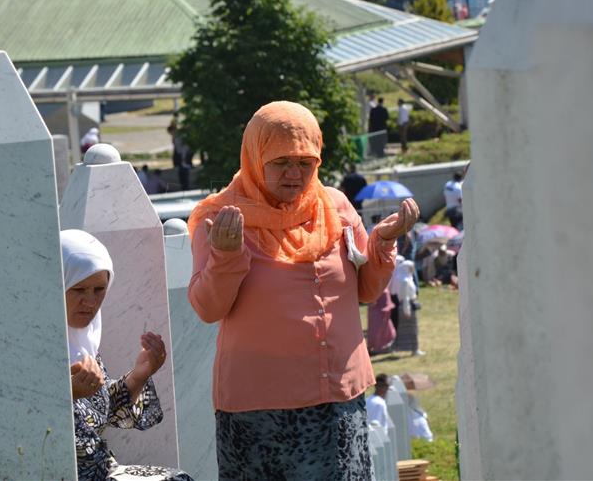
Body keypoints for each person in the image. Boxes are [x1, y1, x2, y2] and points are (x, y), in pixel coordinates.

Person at [186, 101, 419, 480]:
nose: (295, 173)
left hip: (339, 401)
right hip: (259, 411)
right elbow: (207, 308)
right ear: (256, 157)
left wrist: (383, 243)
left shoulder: (336, 206)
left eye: (305, 161)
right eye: (281, 162)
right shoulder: (222, 218)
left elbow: (365, 290)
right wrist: (226, 256)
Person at [60, 229, 193, 481]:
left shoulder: (84, 343)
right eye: (78, 290)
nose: (90, 301)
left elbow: (100, 410)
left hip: (102, 470)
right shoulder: (34, 348)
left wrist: (140, 375)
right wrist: (66, 394)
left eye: (99, 289)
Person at [389, 258, 424, 356]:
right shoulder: (404, 281)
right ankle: (414, 349)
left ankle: (409, 348)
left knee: (404, 330)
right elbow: (405, 298)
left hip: (404, 306)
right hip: (407, 307)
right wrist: (407, 310)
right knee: (412, 330)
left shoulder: (402, 278)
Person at [368, 285, 396, 355]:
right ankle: (376, 348)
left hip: (384, 309)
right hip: (378, 311)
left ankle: (384, 347)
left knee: (387, 329)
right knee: (377, 329)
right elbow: (372, 300)